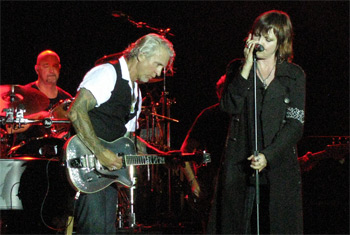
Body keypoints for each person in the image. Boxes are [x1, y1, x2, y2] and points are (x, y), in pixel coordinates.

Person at [67, 33, 175, 234]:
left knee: (106, 230)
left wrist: (161, 156)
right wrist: (100, 152)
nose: (159, 72)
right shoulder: (108, 73)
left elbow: (126, 137)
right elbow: (76, 111)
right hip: (87, 166)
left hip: (106, 175)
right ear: (141, 55)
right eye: (158, 64)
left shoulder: (136, 92)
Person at [209, 10, 306, 234]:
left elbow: (295, 124)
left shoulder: (294, 75)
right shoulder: (236, 68)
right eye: (257, 35)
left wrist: (268, 155)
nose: (259, 42)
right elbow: (228, 106)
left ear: (280, 42)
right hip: (240, 165)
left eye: (267, 39)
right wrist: (246, 66)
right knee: (237, 225)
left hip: (277, 165)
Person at [180, 74, 230, 233]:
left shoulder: (249, 116)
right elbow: (185, 152)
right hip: (214, 184)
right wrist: (194, 183)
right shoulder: (209, 116)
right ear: (219, 93)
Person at [6, 50, 72, 146]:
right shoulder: (23, 96)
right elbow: (10, 128)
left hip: (58, 155)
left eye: (55, 66)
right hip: (27, 154)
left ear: (59, 68)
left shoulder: (67, 99)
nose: (51, 70)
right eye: (46, 66)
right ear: (37, 69)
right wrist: (39, 116)